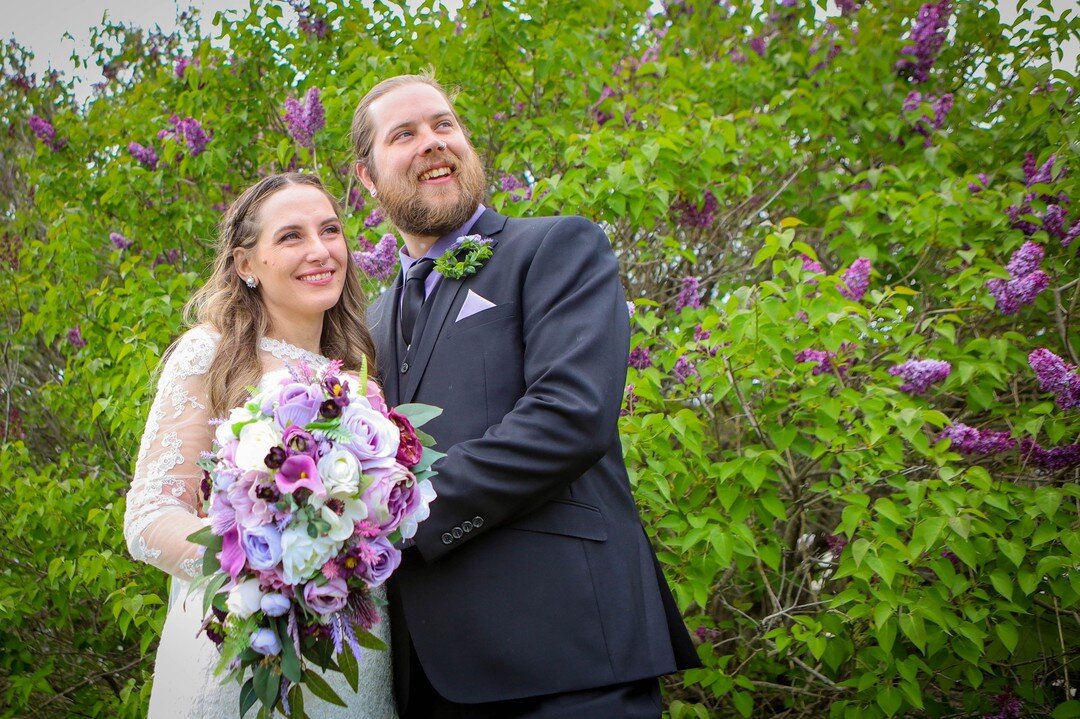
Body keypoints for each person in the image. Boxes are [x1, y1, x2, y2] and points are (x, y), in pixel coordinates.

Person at [352, 73, 700, 719]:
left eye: (444, 125)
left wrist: (399, 514)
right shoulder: (365, 323)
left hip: (567, 658)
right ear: (367, 177)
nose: (433, 143)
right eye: (404, 134)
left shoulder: (556, 247)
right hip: (426, 681)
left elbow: (569, 418)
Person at [123, 173, 397, 719]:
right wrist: (262, 568)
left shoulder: (364, 384)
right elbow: (150, 519)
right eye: (291, 236)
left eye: (330, 230)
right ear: (246, 264)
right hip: (245, 642)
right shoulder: (211, 353)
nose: (320, 251)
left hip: (355, 651)